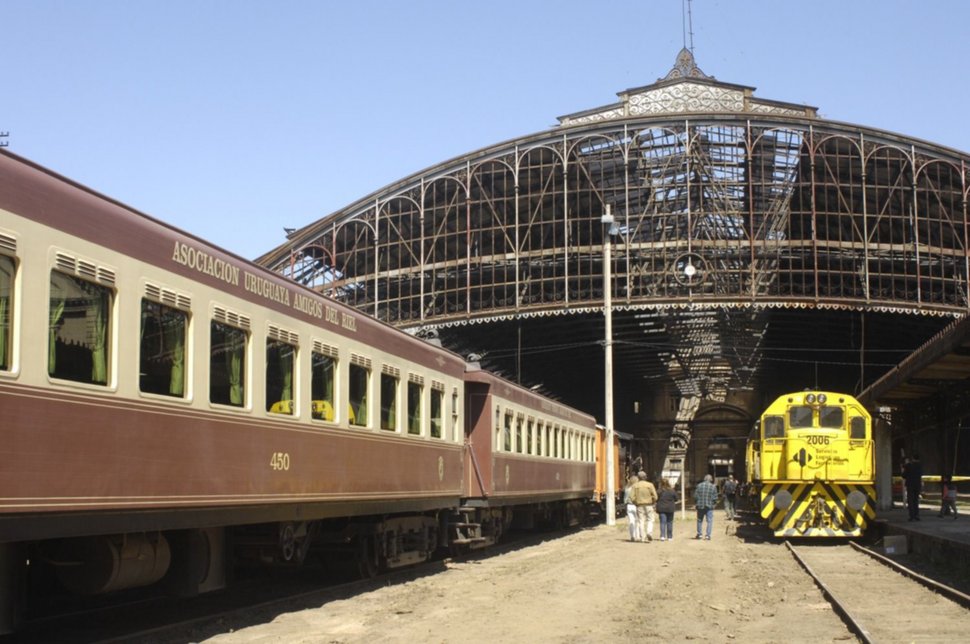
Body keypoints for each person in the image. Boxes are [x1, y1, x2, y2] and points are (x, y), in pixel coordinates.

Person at [630, 470, 658, 542]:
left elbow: (631, 496)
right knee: (650, 519)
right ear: (645, 477)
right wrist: (653, 502)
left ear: (638, 478)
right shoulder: (650, 485)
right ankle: (649, 532)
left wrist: (635, 502)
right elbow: (655, 496)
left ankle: (643, 537)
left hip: (639, 505)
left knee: (641, 521)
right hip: (649, 505)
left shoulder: (635, 486)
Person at [694, 474, 718, 540]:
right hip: (709, 506)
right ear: (711, 480)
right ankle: (707, 535)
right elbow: (715, 497)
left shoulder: (699, 485)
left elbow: (695, 496)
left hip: (700, 506)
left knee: (699, 520)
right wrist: (714, 504)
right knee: (709, 521)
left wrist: (696, 503)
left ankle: (699, 534)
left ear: (704, 479)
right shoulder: (713, 487)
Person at [903, 454, 923, 521]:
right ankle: (917, 515)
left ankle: (912, 516)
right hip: (917, 484)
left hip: (910, 485)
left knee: (910, 500)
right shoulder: (920, 466)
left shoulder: (909, 466)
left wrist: (905, 465)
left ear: (912, 458)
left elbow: (903, 475)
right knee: (916, 500)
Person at [623, 474, 642, 541]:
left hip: (629, 506)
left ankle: (632, 536)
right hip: (637, 505)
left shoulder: (627, 488)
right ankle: (638, 536)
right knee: (638, 521)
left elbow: (625, 499)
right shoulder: (637, 488)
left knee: (631, 521)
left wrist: (626, 505)